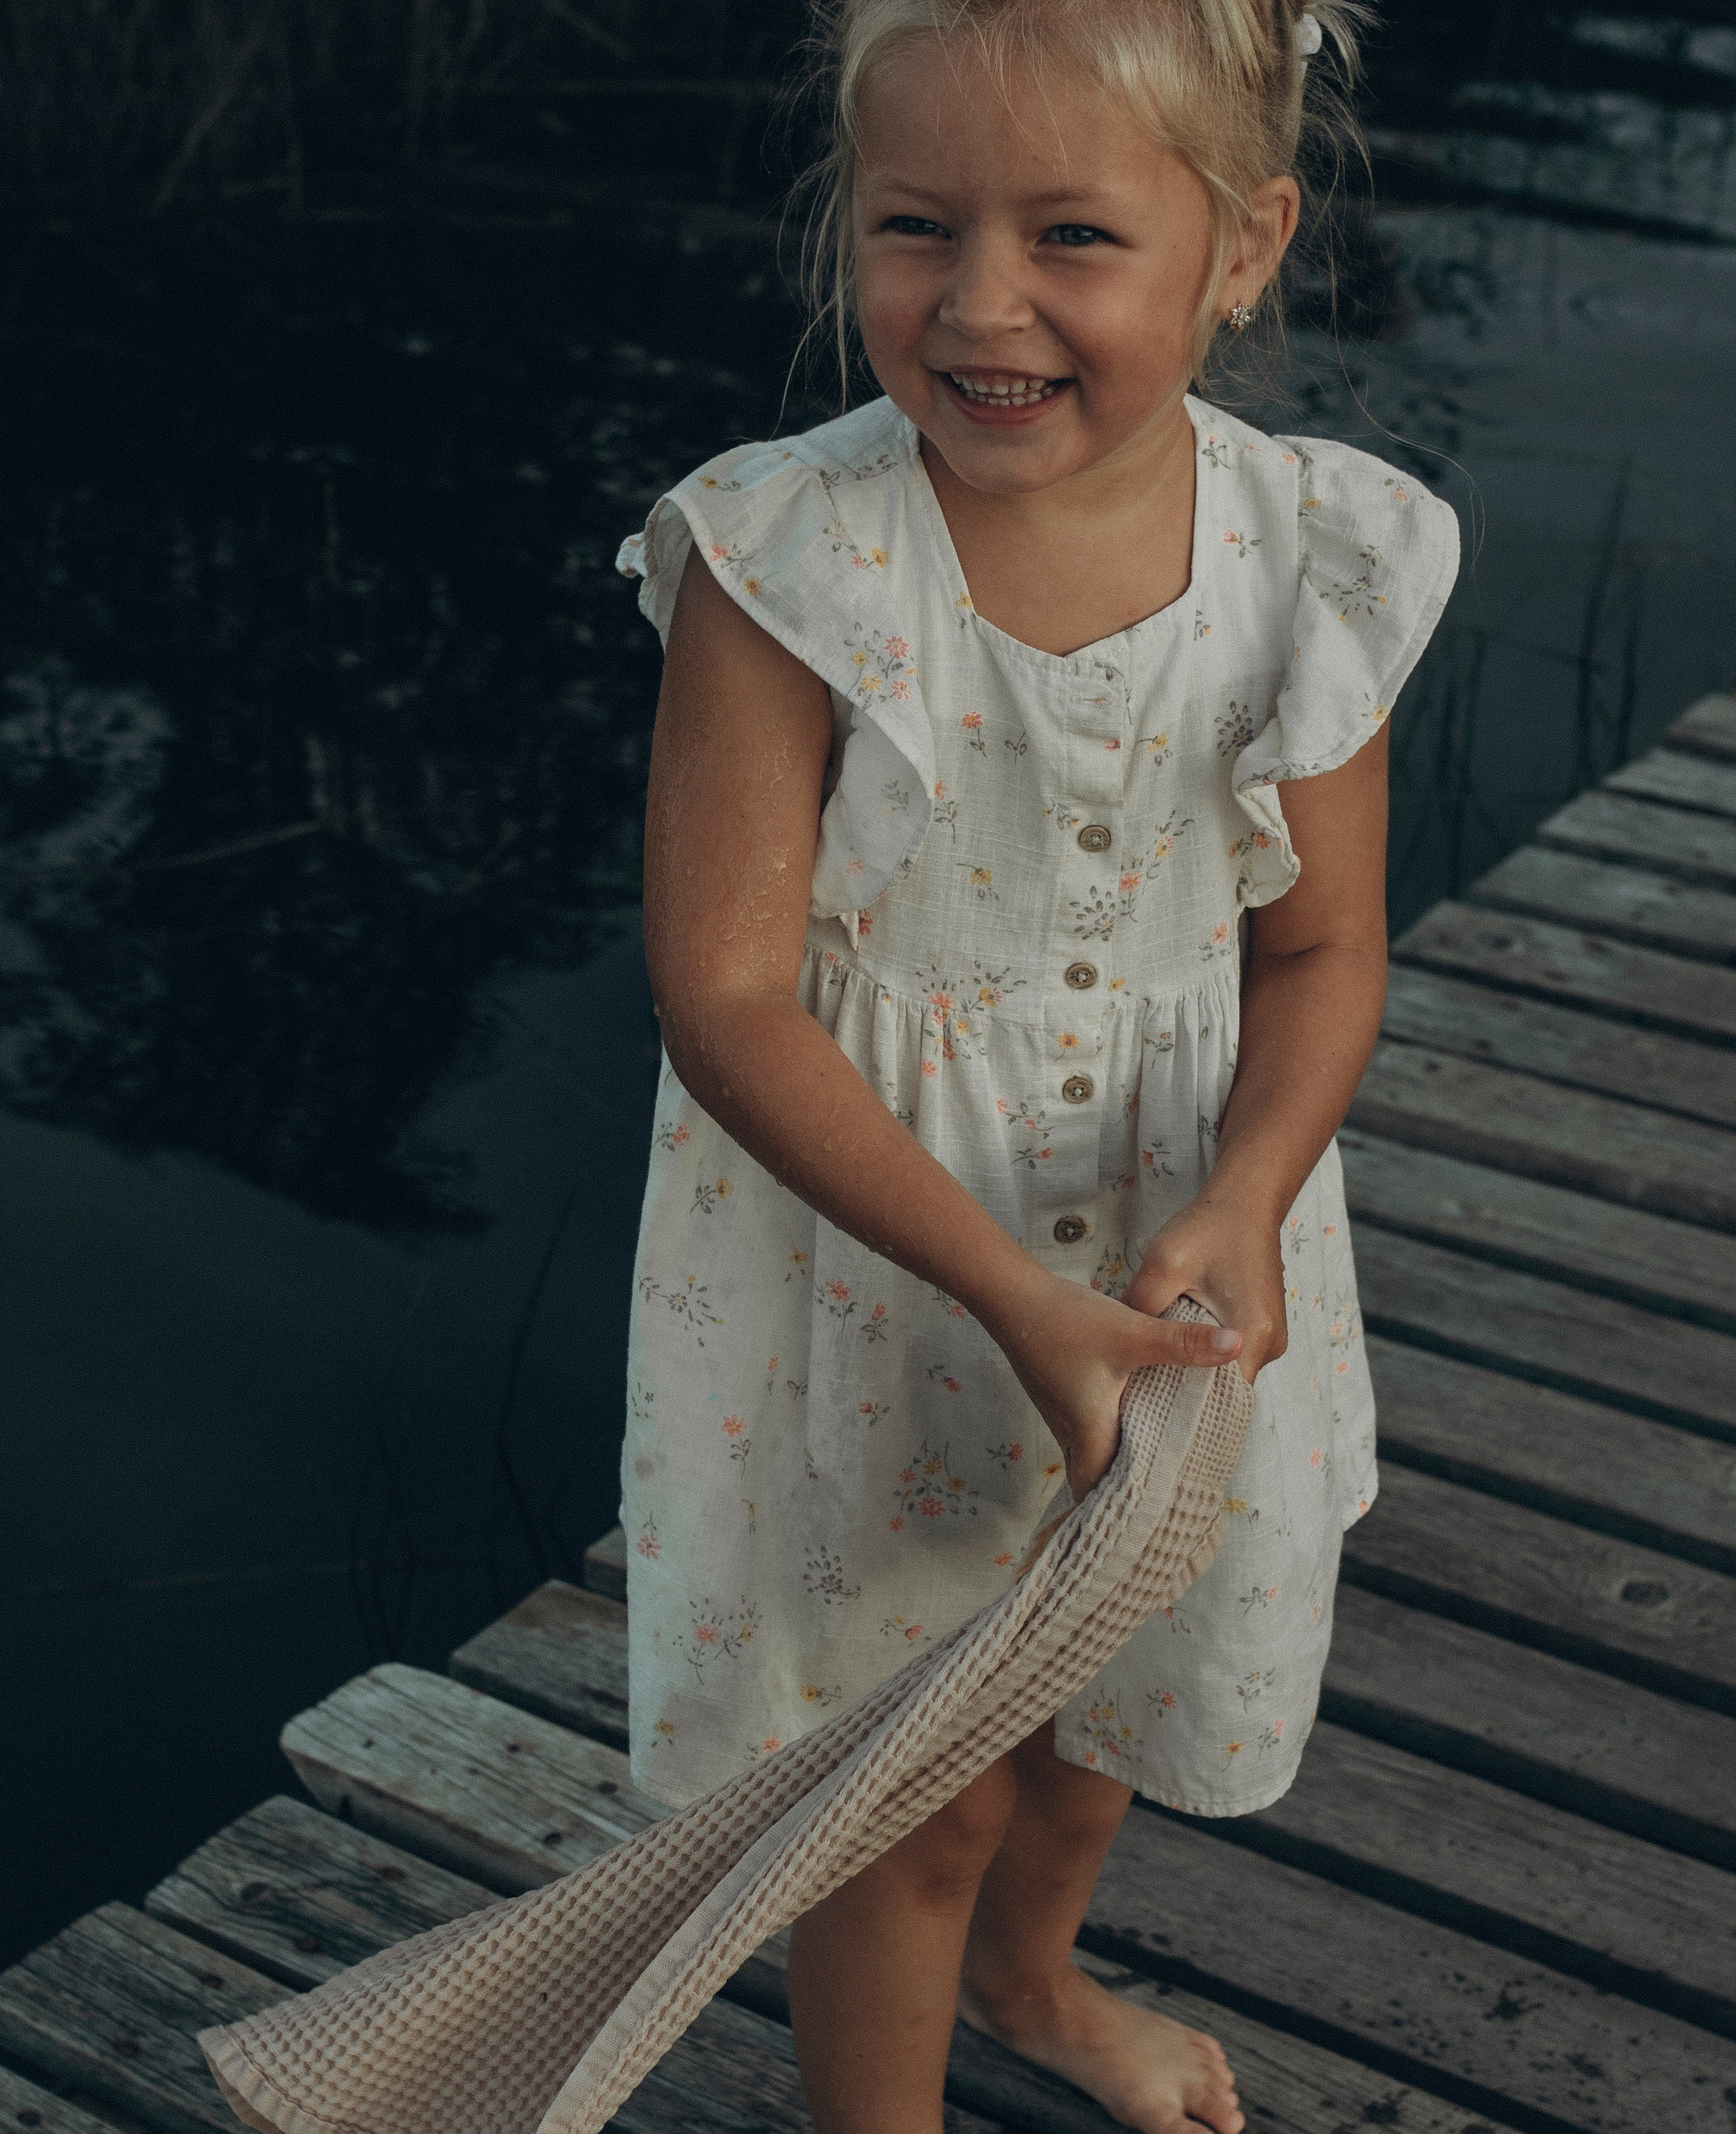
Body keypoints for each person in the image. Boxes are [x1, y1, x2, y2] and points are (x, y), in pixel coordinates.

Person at [614, 2, 1458, 2126]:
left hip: (1185, 1248)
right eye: (916, 226)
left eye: (1071, 233)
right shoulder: (782, 563)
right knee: (906, 1796)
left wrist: (1246, 1194)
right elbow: (724, 998)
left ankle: (1033, 1980)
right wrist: (1001, 1288)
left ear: (1242, 244)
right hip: (888, 1280)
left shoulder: (1308, 558)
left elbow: (1326, 944)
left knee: (1102, 1712)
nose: (979, 303)